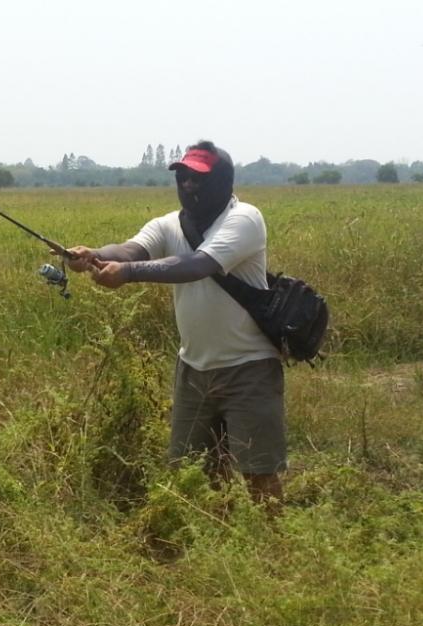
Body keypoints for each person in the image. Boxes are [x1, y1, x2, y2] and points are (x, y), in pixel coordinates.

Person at [63, 140, 286, 503]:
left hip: (248, 368)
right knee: (193, 474)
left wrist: (128, 274)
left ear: (223, 181)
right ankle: (213, 545)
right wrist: (92, 255)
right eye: (182, 177)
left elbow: (197, 265)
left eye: (198, 178)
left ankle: (276, 553)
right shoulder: (169, 224)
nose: (188, 185)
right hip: (193, 368)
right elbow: (130, 250)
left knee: (258, 473)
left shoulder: (244, 218)